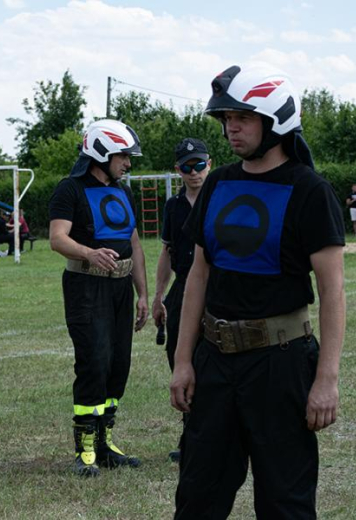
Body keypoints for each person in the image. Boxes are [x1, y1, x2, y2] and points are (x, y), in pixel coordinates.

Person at [170, 64, 345, 519]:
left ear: (277, 122)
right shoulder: (219, 182)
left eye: (243, 118)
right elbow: (198, 277)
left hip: (281, 364)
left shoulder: (310, 190)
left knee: (285, 502)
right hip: (214, 360)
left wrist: (325, 380)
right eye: (227, 118)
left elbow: (333, 292)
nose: (231, 127)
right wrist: (185, 360)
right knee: (197, 497)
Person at [49, 119, 149, 477]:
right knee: (93, 361)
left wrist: (142, 294)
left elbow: (134, 244)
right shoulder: (70, 189)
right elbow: (57, 238)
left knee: (118, 364)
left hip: (121, 289)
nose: (128, 164)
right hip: (86, 288)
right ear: (102, 152)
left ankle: (106, 442)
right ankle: (85, 448)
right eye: (123, 156)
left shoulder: (124, 191)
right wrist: (88, 253)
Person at [150, 137, 211, 463]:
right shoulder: (173, 206)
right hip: (182, 286)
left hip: (215, 289)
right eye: (187, 167)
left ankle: (212, 436)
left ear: (209, 164)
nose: (194, 172)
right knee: (179, 359)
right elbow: (167, 252)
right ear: (178, 170)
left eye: (199, 164)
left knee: (211, 363)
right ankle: (190, 435)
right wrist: (159, 297)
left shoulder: (220, 199)